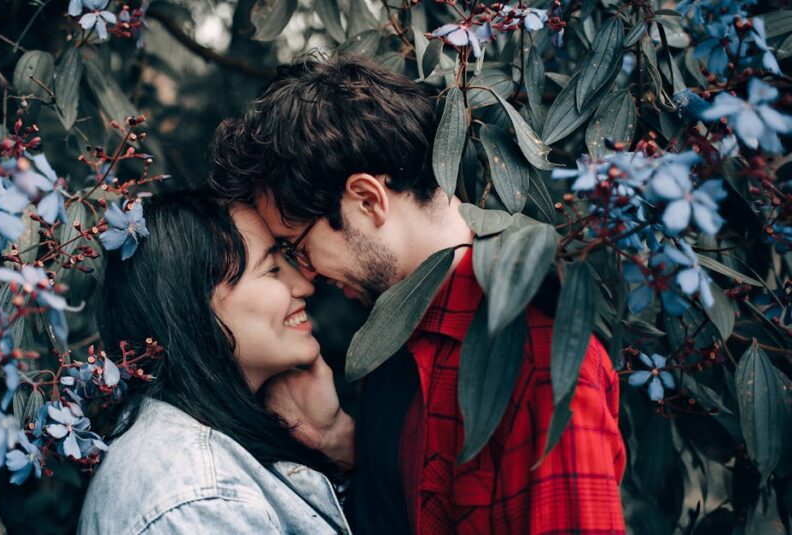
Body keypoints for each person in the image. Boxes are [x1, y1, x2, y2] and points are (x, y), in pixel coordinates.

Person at [210, 54, 627, 535]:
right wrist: (341, 445)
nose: (306, 278)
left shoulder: (537, 360)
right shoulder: (394, 337)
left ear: (368, 199)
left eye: (298, 247)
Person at [77, 190, 353, 534]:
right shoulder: (201, 503)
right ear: (194, 307)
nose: (303, 286)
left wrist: (333, 441)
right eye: (271, 269)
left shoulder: (204, 456)